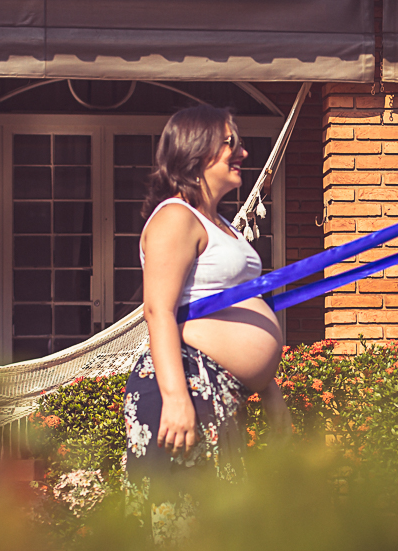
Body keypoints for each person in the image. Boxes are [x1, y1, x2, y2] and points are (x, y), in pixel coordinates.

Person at [123, 105, 291, 543]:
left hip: (217, 389)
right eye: (231, 143)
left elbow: (237, 307)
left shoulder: (221, 225)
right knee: (180, 529)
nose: (243, 153)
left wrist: (269, 390)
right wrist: (175, 397)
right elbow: (159, 310)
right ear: (197, 151)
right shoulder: (175, 217)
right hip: (185, 384)